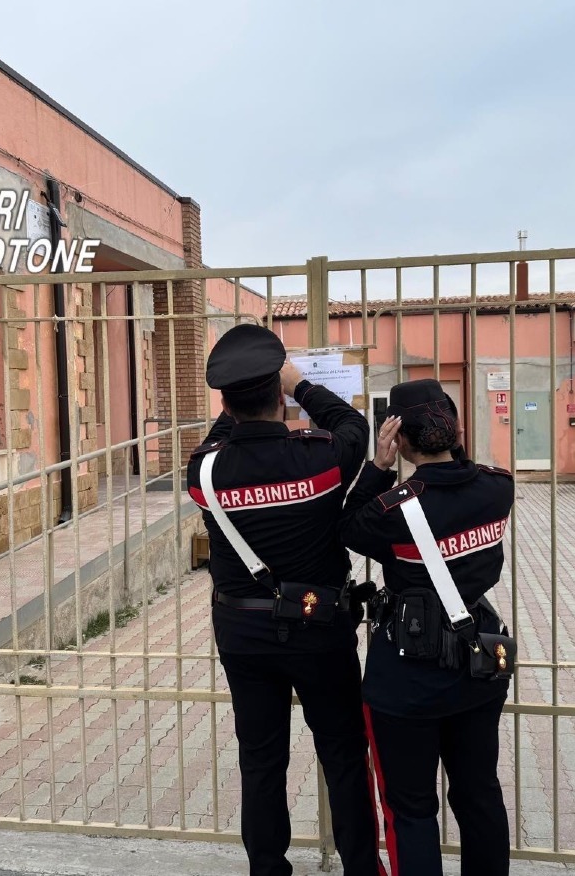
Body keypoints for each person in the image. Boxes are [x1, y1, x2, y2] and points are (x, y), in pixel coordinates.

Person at [186, 323, 384, 876]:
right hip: (319, 630)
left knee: (262, 761)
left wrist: (256, 397)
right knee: (343, 756)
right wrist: (300, 384)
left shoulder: (203, 472)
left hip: (242, 634)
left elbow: (215, 441)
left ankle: (267, 869)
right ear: (279, 394)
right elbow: (353, 423)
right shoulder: (321, 459)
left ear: (224, 401)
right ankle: (361, 869)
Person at [340, 378, 516, 876]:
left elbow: (348, 526)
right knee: (479, 794)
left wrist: (377, 466)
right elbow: (462, 476)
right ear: (454, 429)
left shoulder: (393, 512)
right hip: (477, 661)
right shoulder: (496, 487)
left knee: (413, 809)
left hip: (408, 674)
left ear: (401, 440)